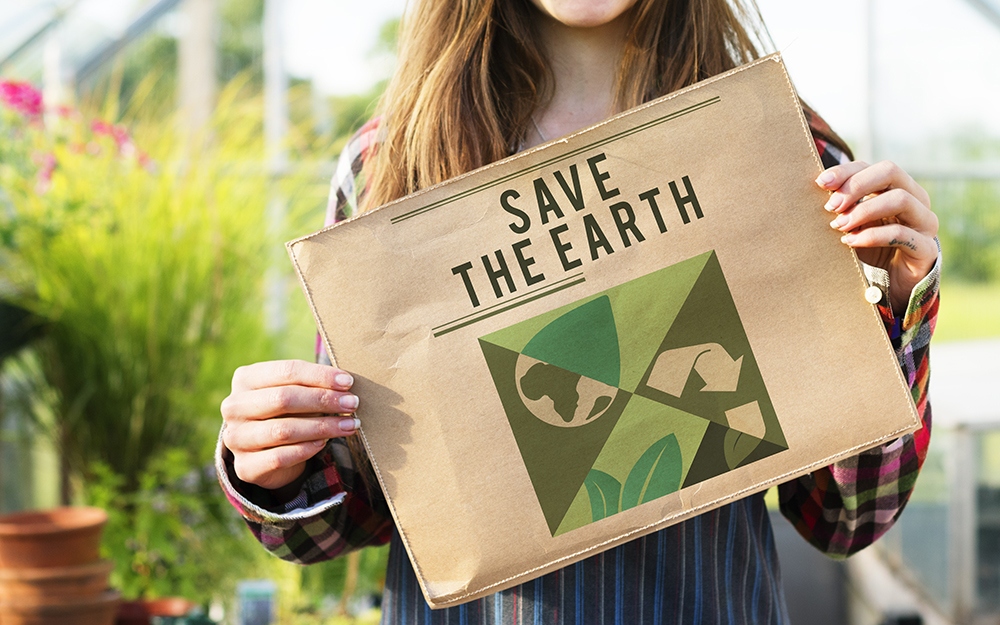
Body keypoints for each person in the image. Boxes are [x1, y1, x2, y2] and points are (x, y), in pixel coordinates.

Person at [217, 0, 940, 622]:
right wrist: (275, 459)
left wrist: (898, 308)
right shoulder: (389, 168)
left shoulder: (781, 149)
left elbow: (845, 517)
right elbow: (366, 506)